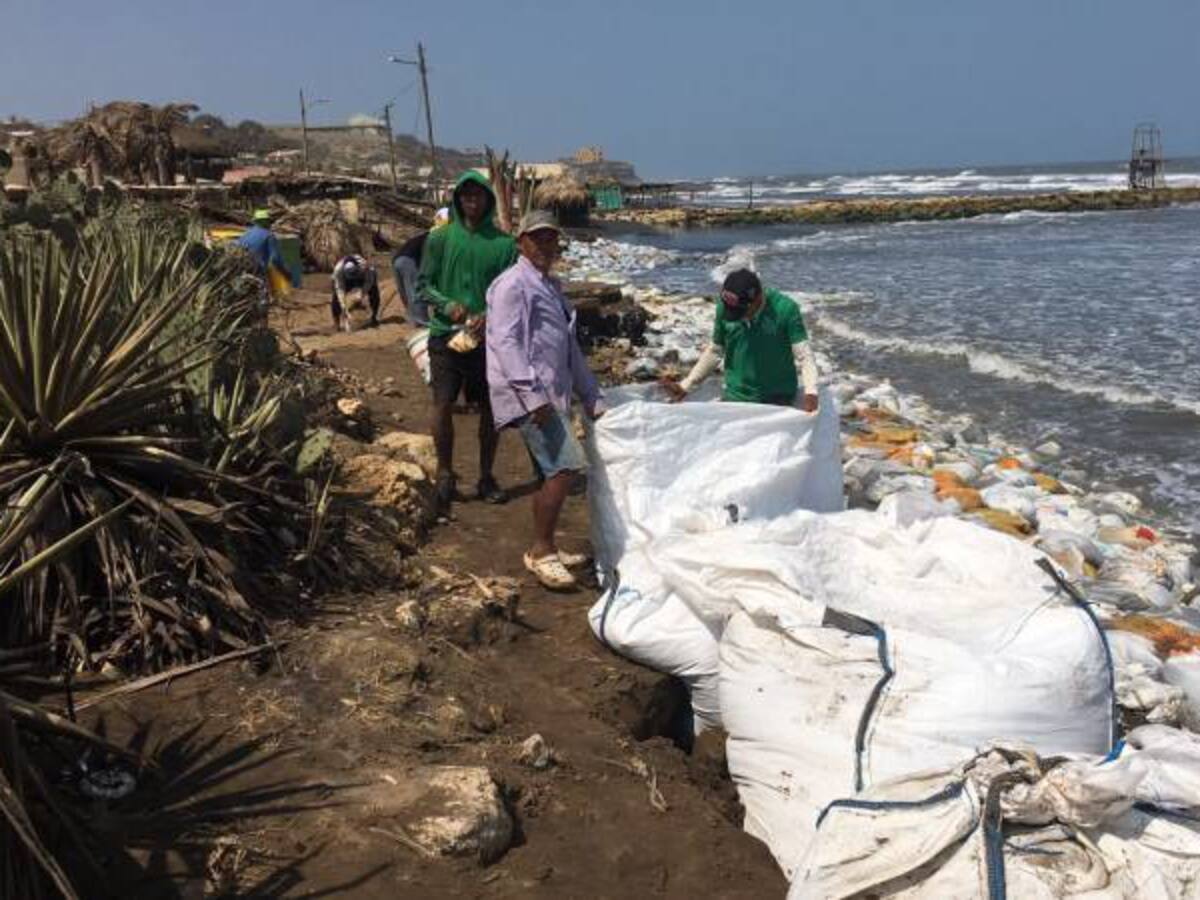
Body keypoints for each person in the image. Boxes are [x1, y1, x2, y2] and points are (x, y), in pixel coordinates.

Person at [486, 210, 604, 590]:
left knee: (548, 471)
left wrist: (591, 395)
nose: (545, 246)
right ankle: (541, 552)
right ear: (521, 242)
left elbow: (568, 347)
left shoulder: (549, 285)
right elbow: (505, 342)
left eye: (551, 238)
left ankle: (547, 545)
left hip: (552, 392)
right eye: (537, 238)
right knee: (565, 467)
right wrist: (532, 397)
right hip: (529, 396)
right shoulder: (511, 285)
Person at [418, 172, 518, 513]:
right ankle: (445, 473)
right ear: (458, 199)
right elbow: (423, 285)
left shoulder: (505, 245)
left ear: (488, 200)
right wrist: (448, 305)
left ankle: (486, 476)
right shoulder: (440, 239)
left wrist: (489, 315)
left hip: (488, 339)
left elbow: (510, 292)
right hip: (445, 334)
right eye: (465, 196)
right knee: (442, 405)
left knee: (491, 411)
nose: (471, 202)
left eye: (477, 196)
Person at [662, 268, 819, 409]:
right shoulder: (725, 307)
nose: (736, 317)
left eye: (741, 312)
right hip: (736, 396)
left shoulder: (785, 310)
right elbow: (716, 350)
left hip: (777, 398)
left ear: (757, 299)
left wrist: (811, 391)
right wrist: (686, 385)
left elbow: (804, 356)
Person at [392, 207, 449, 327]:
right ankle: (422, 322)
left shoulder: (429, 233)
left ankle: (413, 319)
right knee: (417, 290)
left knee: (406, 293)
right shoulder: (435, 237)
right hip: (409, 260)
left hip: (398, 259)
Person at [235, 209, 300, 291]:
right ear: (265, 221)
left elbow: (237, 249)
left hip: (241, 270)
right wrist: (287, 274)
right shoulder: (269, 236)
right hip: (257, 272)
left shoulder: (246, 234)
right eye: (269, 221)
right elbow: (275, 259)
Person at [330, 254, 381, 331]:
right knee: (335, 298)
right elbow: (340, 289)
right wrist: (343, 306)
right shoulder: (338, 271)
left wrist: (361, 294)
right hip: (345, 280)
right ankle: (336, 322)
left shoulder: (367, 268)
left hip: (362, 277)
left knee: (374, 293)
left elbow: (369, 282)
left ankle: (374, 317)